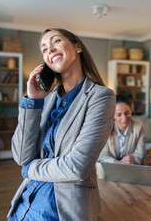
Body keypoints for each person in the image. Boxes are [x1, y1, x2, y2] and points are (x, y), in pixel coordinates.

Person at [7, 28, 115, 221]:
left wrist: (29, 170)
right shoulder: (46, 99)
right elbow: (22, 155)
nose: (50, 49)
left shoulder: (100, 97)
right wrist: (33, 102)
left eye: (56, 41)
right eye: (44, 48)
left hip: (60, 210)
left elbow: (77, 165)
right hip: (25, 204)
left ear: (78, 46)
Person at [99, 94, 145, 164]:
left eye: (127, 113)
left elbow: (139, 154)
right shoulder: (106, 128)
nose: (124, 118)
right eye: (119, 115)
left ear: (131, 110)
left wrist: (133, 160)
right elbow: (102, 155)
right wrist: (118, 162)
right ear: (113, 115)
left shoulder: (139, 126)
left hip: (131, 167)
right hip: (111, 167)